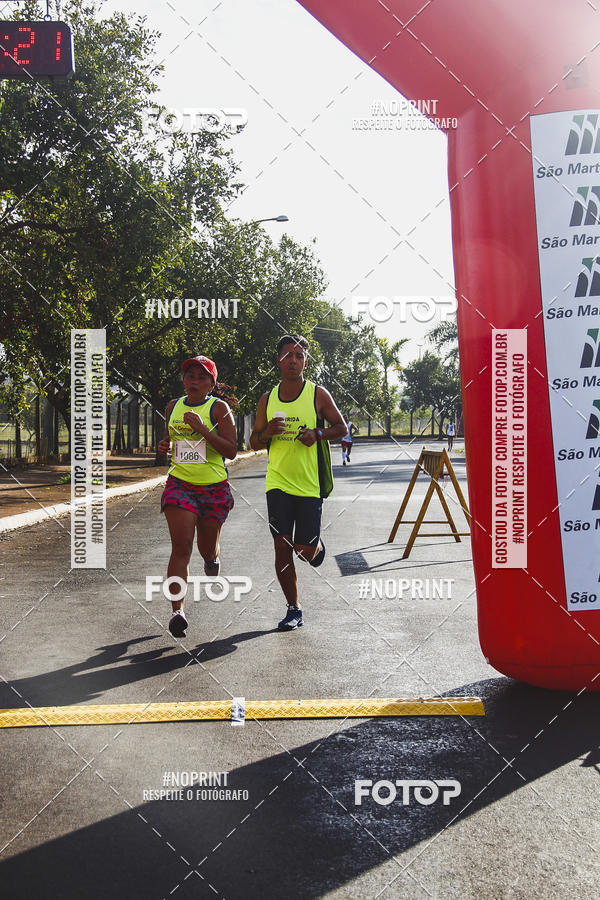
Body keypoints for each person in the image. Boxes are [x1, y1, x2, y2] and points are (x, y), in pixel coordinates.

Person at [250, 334, 347, 630]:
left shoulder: (317, 394)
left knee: (303, 550)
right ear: (278, 360)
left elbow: (341, 427)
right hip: (277, 482)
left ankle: (314, 549)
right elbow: (253, 441)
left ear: (305, 361)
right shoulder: (268, 398)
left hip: (309, 484)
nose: (293, 360)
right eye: (287, 355)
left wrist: (317, 434)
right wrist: (267, 433)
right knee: (282, 546)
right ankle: (294, 608)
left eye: (299, 355)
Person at [157, 355, 238, 638]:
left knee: (205, 548)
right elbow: (172, 441)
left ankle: (212, 557)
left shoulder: (219, 408)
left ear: (212, 384)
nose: (194, 381)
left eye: (202, 377)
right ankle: (177, 611)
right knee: (181, 548)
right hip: (180, 484)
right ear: (184, 380)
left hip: (213, 487)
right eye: (190, 375)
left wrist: (203, 429)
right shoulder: (173, 406)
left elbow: (231, 451)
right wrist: (165, 445)